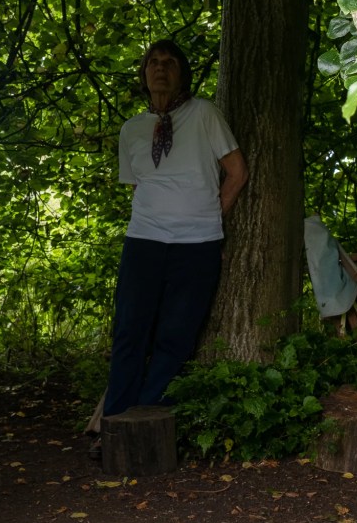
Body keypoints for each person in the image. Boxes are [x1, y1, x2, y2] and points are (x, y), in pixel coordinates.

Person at [101, 39, 248, 427]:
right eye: (152, 62)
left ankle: (146, 418)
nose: (160, 68)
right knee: (130, 333)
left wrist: (209, 217)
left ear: (181, 72)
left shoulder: (203, 114)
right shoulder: (131, 129)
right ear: (144, 74)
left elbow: (237, 172)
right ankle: (114, 424)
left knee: (176, 336)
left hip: (197, 245)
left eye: (168, 62)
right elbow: (138, 186)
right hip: (144, 242)